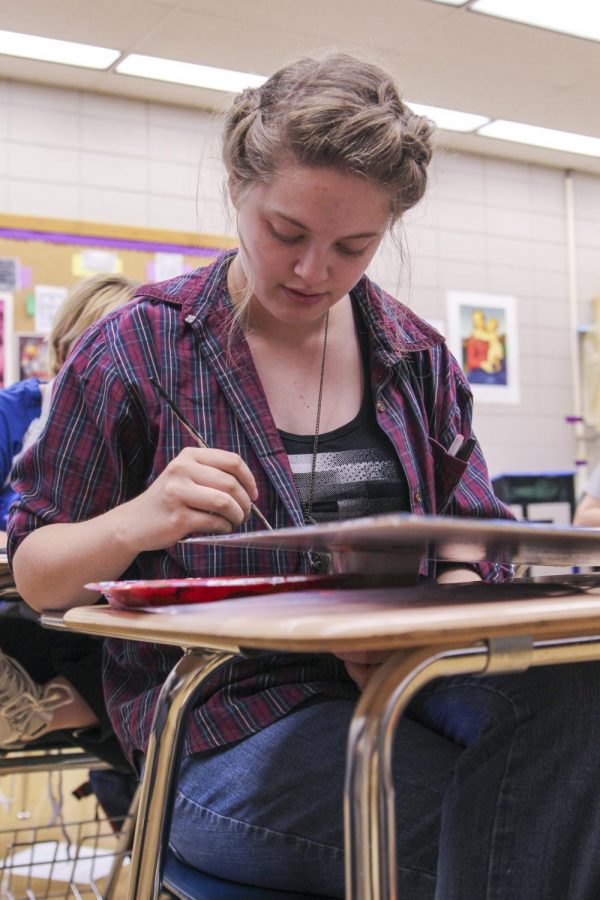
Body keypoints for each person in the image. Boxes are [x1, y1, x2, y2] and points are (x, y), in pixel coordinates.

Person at [7, 53, 600, 899]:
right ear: (236, 186)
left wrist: (452, 595)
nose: (313, 272)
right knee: (530, 839)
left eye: (353, 247)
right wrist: (139, 518)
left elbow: (474, 531)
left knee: (578, 694)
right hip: (231, 726)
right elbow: (36, 573)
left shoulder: (416, 355)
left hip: (411, 678)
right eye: (287, 232)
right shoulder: (138, 348)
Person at [0, 273, 137, 766]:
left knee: (125, 643)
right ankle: (56, 706)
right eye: (88, 353)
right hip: (28, 595)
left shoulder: (139, 422)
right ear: (61, 353)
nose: (102, 373)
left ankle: (56, 708)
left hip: (97, 610)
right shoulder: (17, 411)